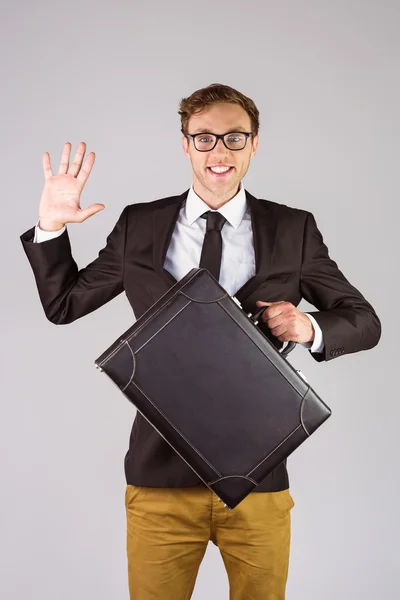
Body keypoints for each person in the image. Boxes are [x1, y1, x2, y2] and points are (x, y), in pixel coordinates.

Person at [20, 83, 381, 600]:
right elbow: (65, 305)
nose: (219, 152)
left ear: (255, 145)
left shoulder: (293, 229)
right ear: (185, 145)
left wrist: (310, 328)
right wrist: (51, 227)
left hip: (258, 477)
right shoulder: (139, 224)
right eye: (205, 138)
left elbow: (364, 321)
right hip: (158, 478)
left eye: (235, 138)